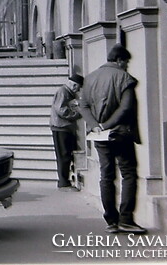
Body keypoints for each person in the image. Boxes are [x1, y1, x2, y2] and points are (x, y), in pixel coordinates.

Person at [78, 43, 146, 234]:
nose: (127, 66)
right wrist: (107, 125)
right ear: (119, 60)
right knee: (128, 173)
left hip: (100, 136)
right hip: (121, 134)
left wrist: (95, 125)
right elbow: (125, 108)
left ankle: (111, 221)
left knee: (106, 176)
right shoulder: (124, 77)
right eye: (126, 62)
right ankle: (126, 219)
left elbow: (83, 106)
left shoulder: (90, 78)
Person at [50, 73, 84, 190]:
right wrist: (76, 115)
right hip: (61, 127)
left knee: (66, 154)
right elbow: (61, 110)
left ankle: (65, 180)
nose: (78, 90)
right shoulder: (63, 92)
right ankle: (63, 182)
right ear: (74, 85)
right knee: (63, 155)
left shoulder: (66, 92)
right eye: (78, 88)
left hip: (65, 128)